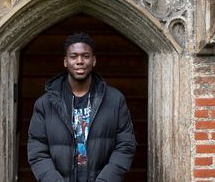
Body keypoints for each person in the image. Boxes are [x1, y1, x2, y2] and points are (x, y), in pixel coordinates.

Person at [27, 32, 136, 182]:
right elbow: (37, 150)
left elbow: (126, 145)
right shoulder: (45, 104)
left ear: (94, 60)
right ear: (66, 61)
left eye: (85, 56)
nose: (80, 61)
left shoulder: (115, 100)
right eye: (73, 56)